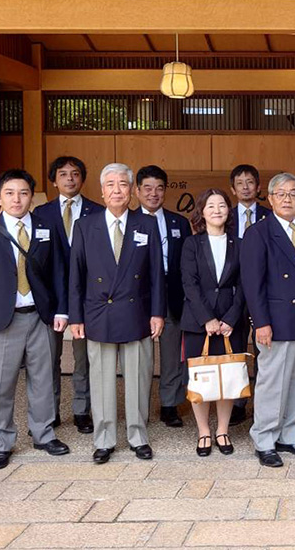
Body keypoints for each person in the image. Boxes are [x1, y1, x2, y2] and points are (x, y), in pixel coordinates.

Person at [0, 169, 70, 469]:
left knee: (44, 378)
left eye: (23, 193)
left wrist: (61, 310)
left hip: (41, 316)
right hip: (3, 319)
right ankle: (1, 443)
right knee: (1, 383)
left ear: (31, 197)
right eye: (10, 193)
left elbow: (59, 272)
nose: (17, 199)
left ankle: (43, 433)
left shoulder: (46, 227)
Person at [68, 163, 166, 464]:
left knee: (138, 378)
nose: (116, 190)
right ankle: (105, 439)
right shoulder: (86, 226)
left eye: (123, 184)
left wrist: (157, 313)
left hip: (136, 312)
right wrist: (75, 317)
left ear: (132, 190)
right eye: (110, 184)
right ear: (101, 190)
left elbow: (155, 275)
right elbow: (76, 274)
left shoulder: (146, 224)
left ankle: (138, 436)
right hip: (98, 312)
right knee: (100, 380)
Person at [240, 172, 295, 468]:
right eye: (281, 193)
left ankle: (288, 434)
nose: (288, 199)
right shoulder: (258, 233)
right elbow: (252, 283)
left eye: (293, 194)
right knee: (272, 383)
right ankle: (264, 439)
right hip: (275, 321)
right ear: (270, 198)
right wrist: (261, 322)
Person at [32, 155, 103, 434]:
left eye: (75, 174)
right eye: (63, 174)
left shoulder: (97, 213)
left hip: (87, 298)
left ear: (82, 179)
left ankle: (81, 410)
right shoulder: (41, 215)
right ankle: (49, 412)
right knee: (48, 359)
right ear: (54, 180)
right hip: (51, 298)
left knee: (83, 357)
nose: (70, 179)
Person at [180, 188, 247, 456]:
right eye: (211, 206)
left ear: (228, 211)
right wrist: (207, 318)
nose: (217, 210)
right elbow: (189, 283)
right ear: (201, 212)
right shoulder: (191, 244)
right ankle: (203, 432)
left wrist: (230, 317)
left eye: (222, 205)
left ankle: (222, 430)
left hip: (232, 320)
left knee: (228, 377)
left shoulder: (239, 243)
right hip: (199, 321)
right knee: (201, 378)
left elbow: (244, 284)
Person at [135, 164, 191, 428]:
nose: (153, 194)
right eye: (147, 188)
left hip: (173, 296)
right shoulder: (129, 221)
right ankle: (138, 408)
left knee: (172, 355)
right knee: (139, 356)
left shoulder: (179, 222)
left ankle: (170, 404)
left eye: (159, 188)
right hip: (137, 297)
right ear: (137, 191)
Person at [228, 163, 272, 426]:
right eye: (240, 183)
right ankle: (237, 403)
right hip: (233, 293)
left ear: (258, 187)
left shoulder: (270, 216)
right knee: (235, 349)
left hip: (263, 293)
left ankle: (263, 403)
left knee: (264, 349)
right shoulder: (225, 215)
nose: (245, 187)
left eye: (250, 182)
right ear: (233, 189)